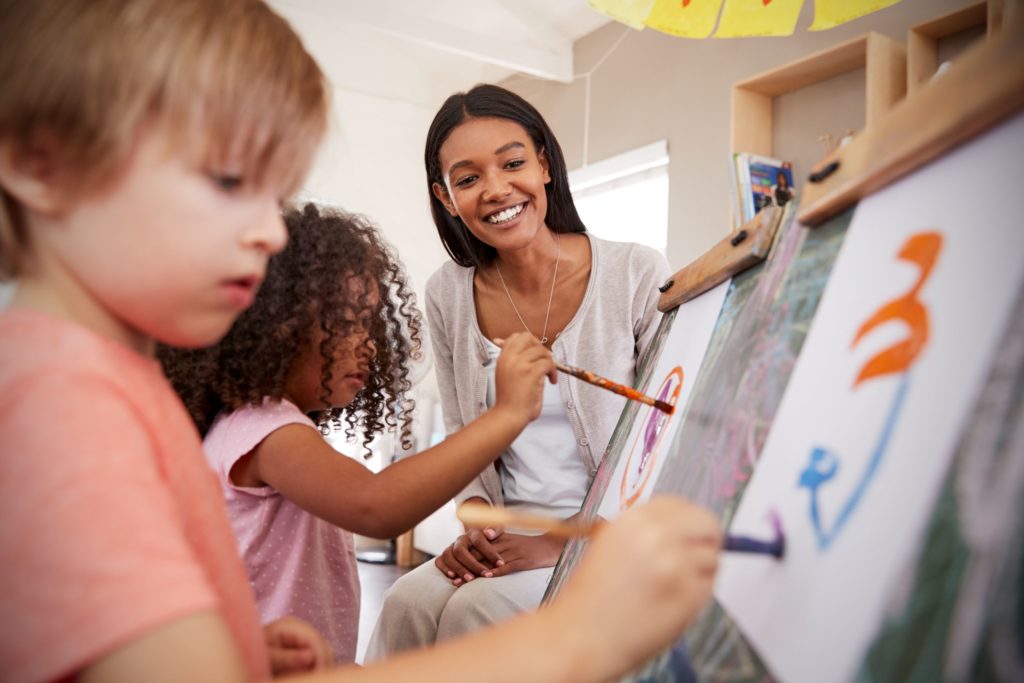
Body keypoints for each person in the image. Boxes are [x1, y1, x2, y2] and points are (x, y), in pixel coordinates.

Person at [0, 2, 721, 681]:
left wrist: (232, 649)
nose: (271, 233)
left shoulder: (107, 385)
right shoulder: (63, 411)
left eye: (272, 192)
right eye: (226, 180)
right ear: (42, 165)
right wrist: (582, 633)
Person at [159, 202, 556, 664]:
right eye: (349, 323)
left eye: (370, 324)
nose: (369, 342)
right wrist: (507, 414)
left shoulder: (262, 427)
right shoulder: (265, 431)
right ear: (280, 329)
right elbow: (377, 505)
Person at [367, 83, 672, 658]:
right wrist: (476, 532)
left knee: (477, 611)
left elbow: (664, 443)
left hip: (607, 539)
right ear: (446, 197)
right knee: (406, 602)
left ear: (544, 165)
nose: (496, 189)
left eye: (512, 163)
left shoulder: (634, 272)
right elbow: (465, 438)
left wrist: (561, 546)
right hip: (506, 535)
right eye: (468, 178)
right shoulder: (447, 295)